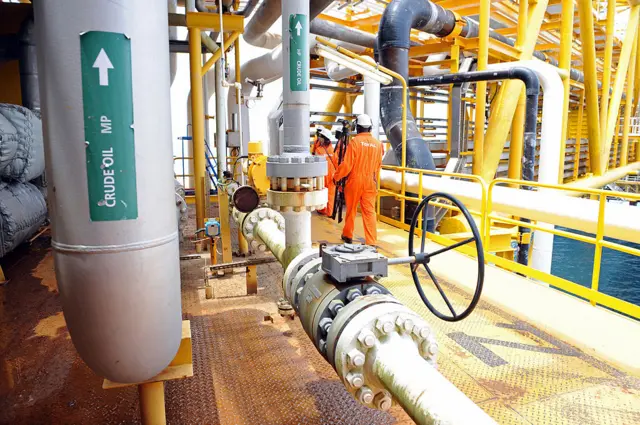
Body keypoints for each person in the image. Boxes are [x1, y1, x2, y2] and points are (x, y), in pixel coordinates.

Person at [333, 114, 383, 246]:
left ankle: (348, 235)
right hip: (370, 182)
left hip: (355, 181)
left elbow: (347, 165)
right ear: (370, 128)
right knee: (369, 212)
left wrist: (336, 176)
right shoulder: (378, 145)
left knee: (351, 210)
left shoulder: (354, 143)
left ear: (357, 128)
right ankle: (371, 241)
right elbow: (378, 166)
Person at [312, 127, 336, 216]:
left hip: (323, 175)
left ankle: (323, 210)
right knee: (331, 194)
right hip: (332, 174)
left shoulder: (319, 150)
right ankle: (330, 212)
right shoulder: (332, 149)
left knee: (322, 192)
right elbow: (336, 161)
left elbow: (316, 164)